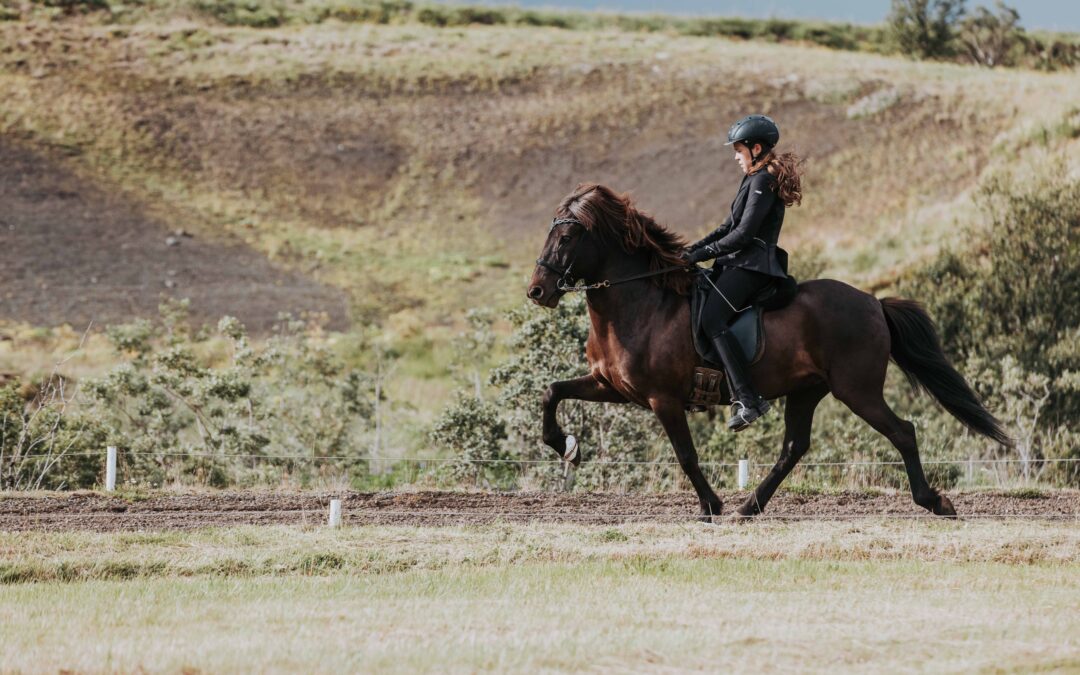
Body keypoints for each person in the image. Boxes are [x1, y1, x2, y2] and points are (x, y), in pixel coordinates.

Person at [681, 114, 803, 431]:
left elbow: (745, 234)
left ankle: (748, 399)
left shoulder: (763, 181)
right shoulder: (752, 178)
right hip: (738, 263)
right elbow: (726, 228)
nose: (735, 156)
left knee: (711, 319)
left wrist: (703, 254)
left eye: (738, 150)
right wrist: (689, 251)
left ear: (756, 148)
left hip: (754, 266)